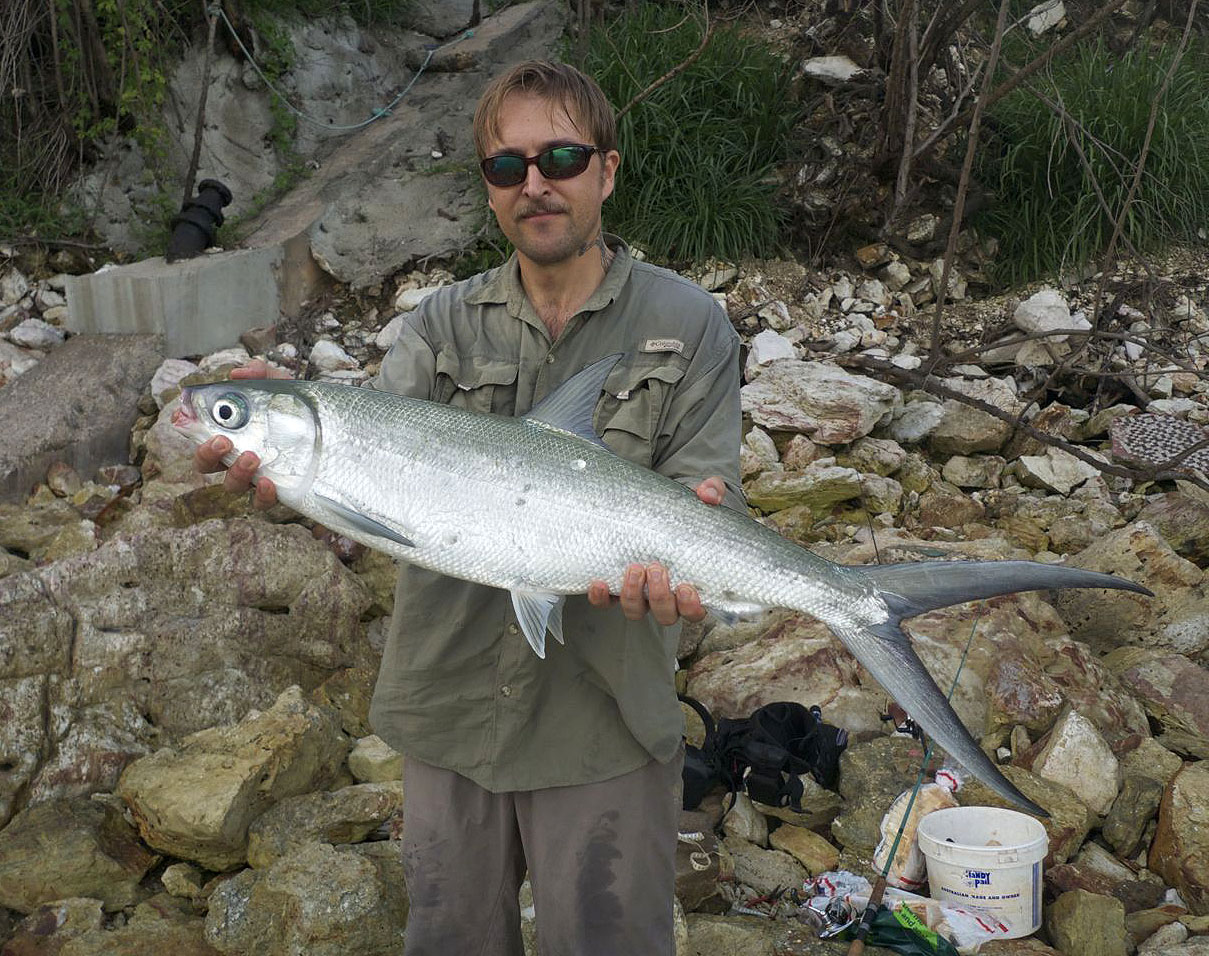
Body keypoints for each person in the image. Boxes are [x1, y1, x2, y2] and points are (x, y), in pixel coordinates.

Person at [195, 60, 743, 955]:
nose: (535, 183)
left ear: (606, 169)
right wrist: (281, 446)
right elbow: (367, 487)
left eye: (560, 157)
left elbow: (712, 491)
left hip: (602, 723)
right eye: (506, 166)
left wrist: (692, 555)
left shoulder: (689, 323)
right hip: (449, 714)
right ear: (488, 189)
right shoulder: (436, 326)